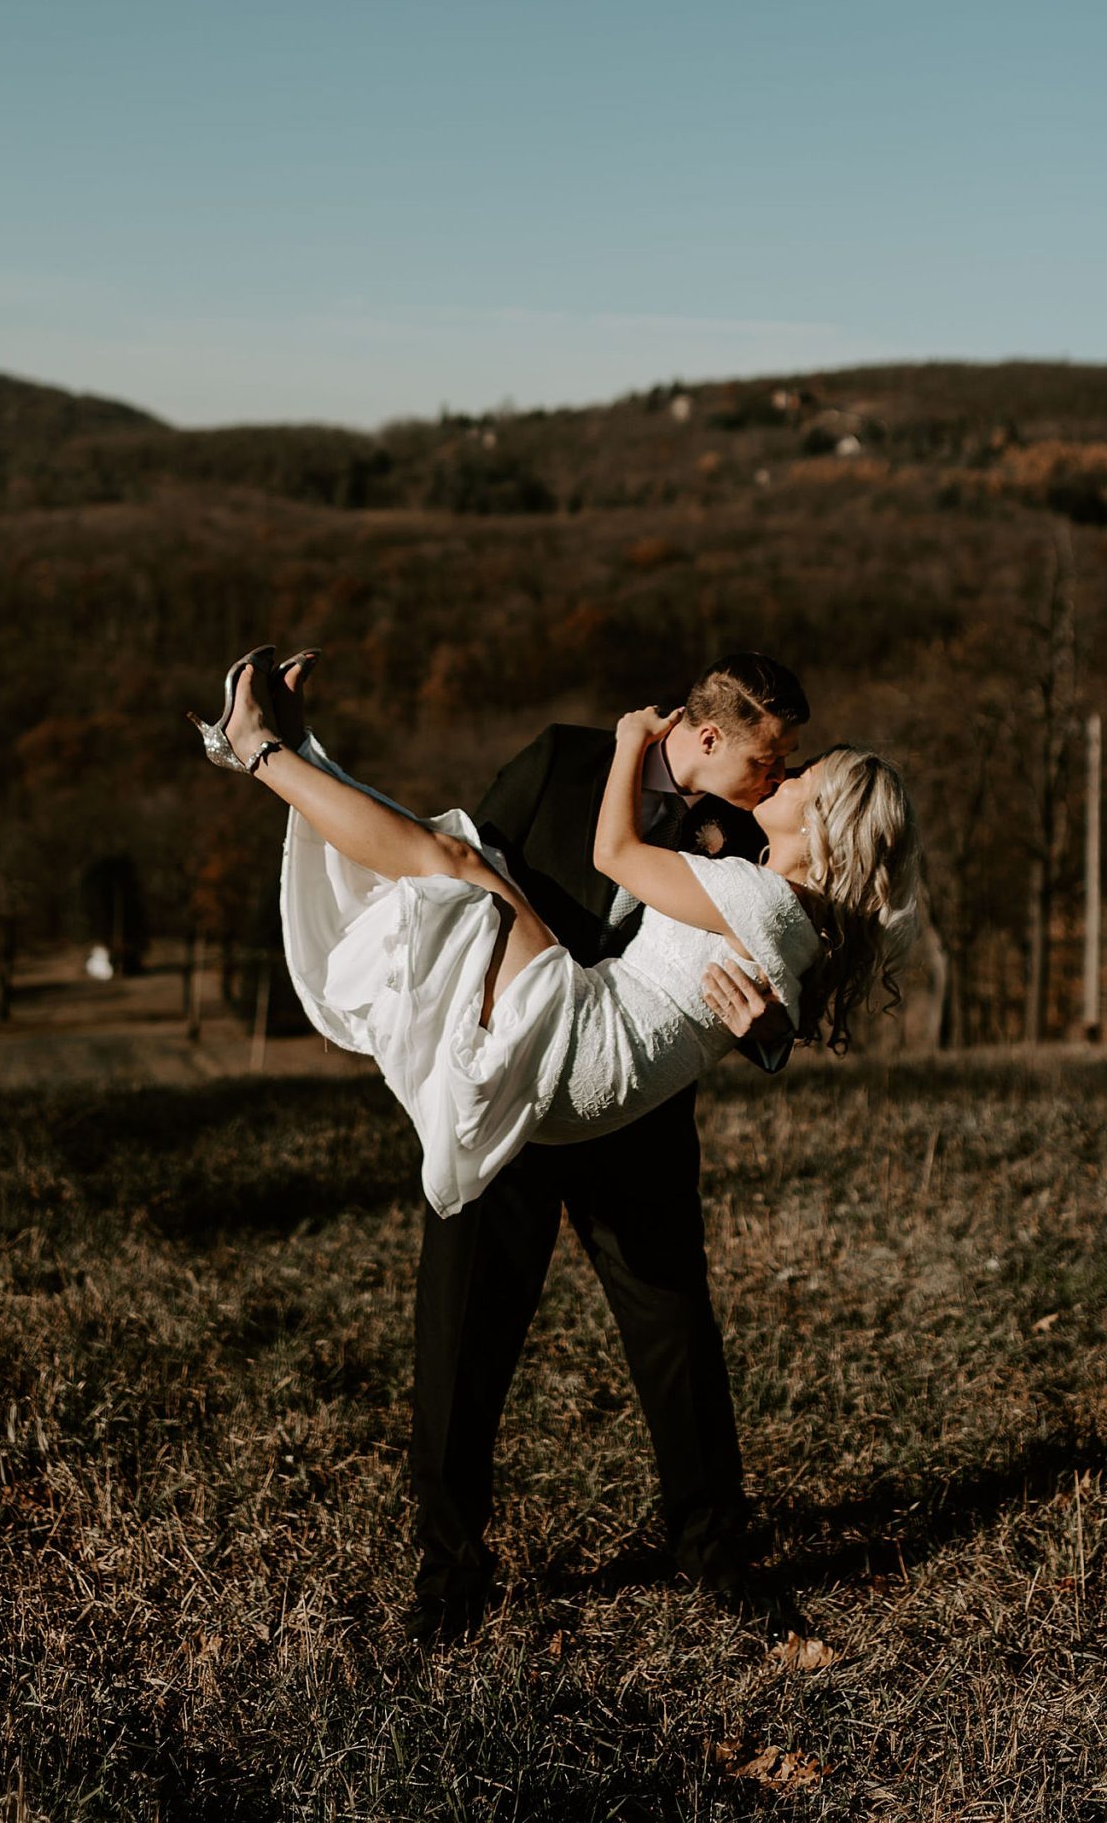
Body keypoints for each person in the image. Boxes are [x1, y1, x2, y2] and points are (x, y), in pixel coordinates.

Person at [191, 644, 919, 1635]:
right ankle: (450, 1579)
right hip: (526, 1072)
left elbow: (780, 959)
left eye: (789, 768)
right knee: (460, 1338)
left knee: (676, 1335)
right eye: (770, 758)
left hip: (631, 1109)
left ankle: (716, 1558)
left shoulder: (743, 832)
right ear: (708, 736)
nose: (777, 778)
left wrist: (773, 1035)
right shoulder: (559, 763)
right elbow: (440, 894)